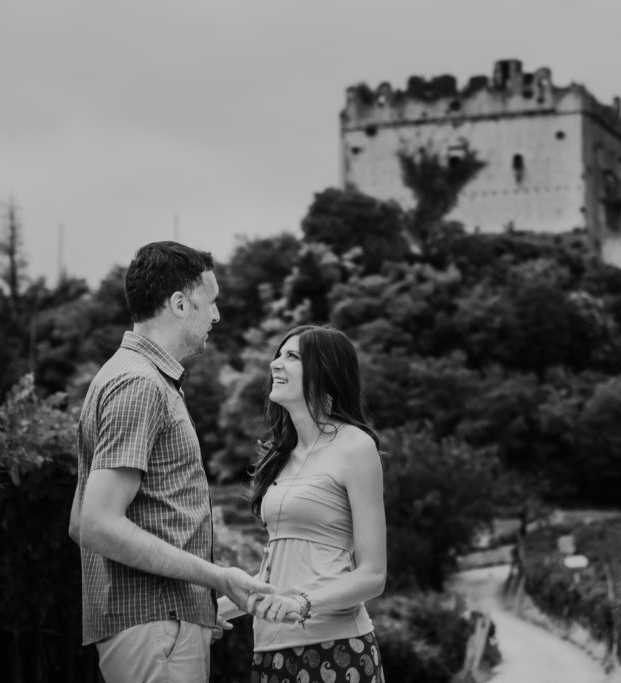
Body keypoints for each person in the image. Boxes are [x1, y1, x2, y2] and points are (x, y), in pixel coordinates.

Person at [68, 241, 273, 683]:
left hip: (161, 624)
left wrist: (195, 604)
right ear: (180, 304)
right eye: (211, 301)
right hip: (156, 627)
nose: (217, 316)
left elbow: (78, 521)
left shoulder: (127, 376)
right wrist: (218, 578)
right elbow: (96, 524)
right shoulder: (139, 384)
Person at [244, 325, 387, 682]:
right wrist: (215, 611)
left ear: (325, 373)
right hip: (270, 650)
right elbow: (276, 572)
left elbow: (373, 575)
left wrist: (301, 603)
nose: (276, 363)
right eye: (278, 354)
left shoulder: (355, 446)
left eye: (292, 356)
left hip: (336, 647)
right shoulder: (280, 456)